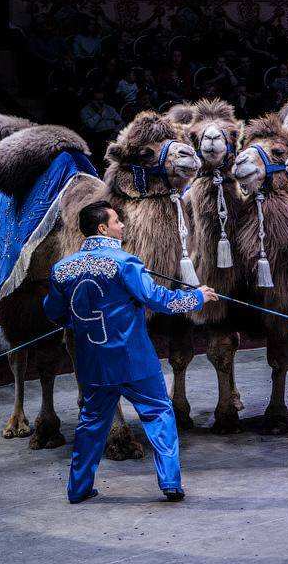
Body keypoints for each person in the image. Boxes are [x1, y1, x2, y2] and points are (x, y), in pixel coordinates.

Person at [43, 200, 218, 504]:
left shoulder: (62, 269)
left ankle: (78, 489)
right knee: (159, 413)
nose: (122, 225)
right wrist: (197, 297)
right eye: (116, 221)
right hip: (134, 360)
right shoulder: (126, 263)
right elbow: (158, 300)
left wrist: (79, 320)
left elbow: (54, 312)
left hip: (93, 363)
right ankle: (170, 482)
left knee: (91, 423)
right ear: (103, 228)